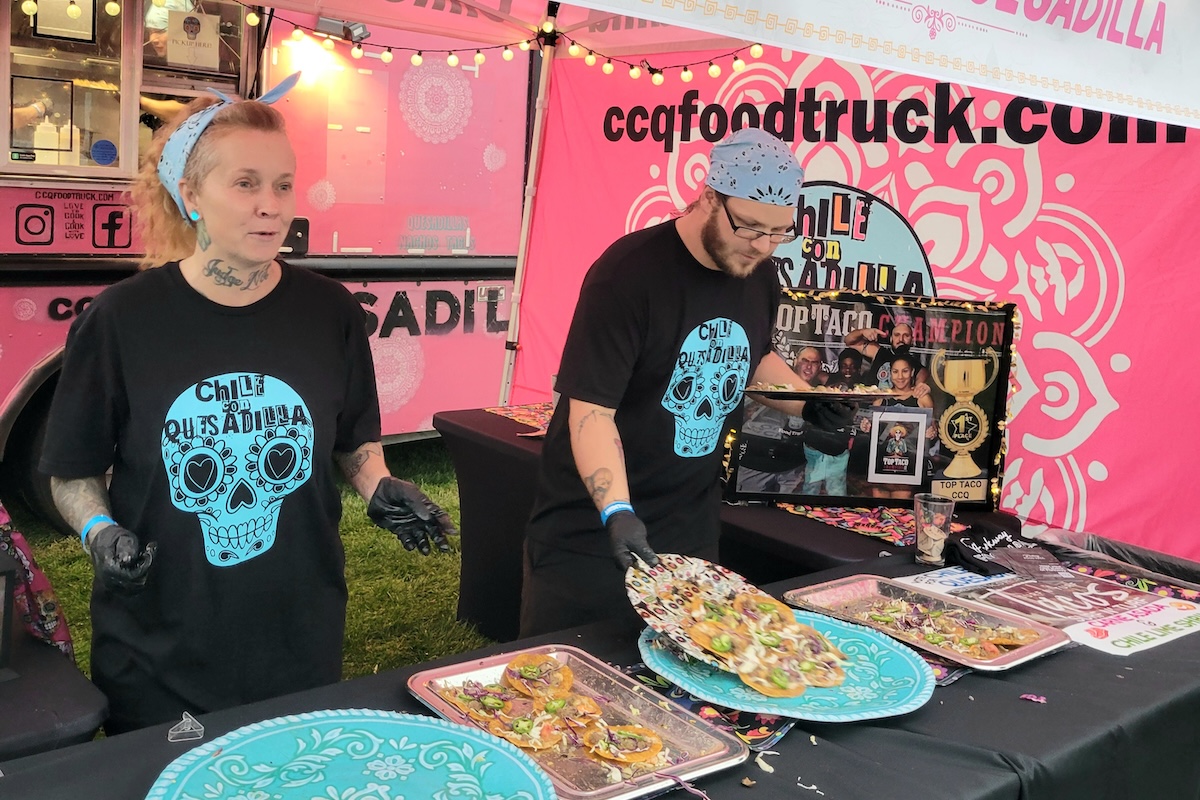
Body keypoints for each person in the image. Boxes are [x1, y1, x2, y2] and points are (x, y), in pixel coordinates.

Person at [37, 75, 456, 735]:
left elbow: (352, 441)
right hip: (159, 651)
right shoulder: (122, 320)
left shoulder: (330, 313)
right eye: (245, 183)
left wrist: (377, 484)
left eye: (283, 185)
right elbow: (72, 473)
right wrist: (99, 533)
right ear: (191, 195)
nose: (271, 205)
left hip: (298, 637)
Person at [520, 127, 809, 637]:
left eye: (778, 232)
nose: (763, 246)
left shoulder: (756, 271)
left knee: (685, 687)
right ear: (709, 197)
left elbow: (750, 353)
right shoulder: (628, 275)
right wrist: (617, 510)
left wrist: (808, 405)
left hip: (689, 525)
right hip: (593, 533)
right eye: (750, 228)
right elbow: (590, 409)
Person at [859, 353, 935, 499]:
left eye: (905, 371)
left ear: (912, 372)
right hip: (881, 469)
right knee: (880, 512)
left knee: (899, 512)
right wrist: (866, 427)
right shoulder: (881, 399)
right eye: (895, 371)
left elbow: (933, 427)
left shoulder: (922, 398)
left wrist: (931, 431)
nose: (900, 376)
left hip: (907, 471)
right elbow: (872, 431)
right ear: (890, 373)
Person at [844, 319, 928, 388]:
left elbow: (917, 394)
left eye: (906, 335)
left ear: (912, 340)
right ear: (891, 338)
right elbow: (849, 342)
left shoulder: (919, 369)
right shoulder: (879, 352)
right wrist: (862, 332)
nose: (901, 339)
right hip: (869, 404)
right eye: (897, 335)